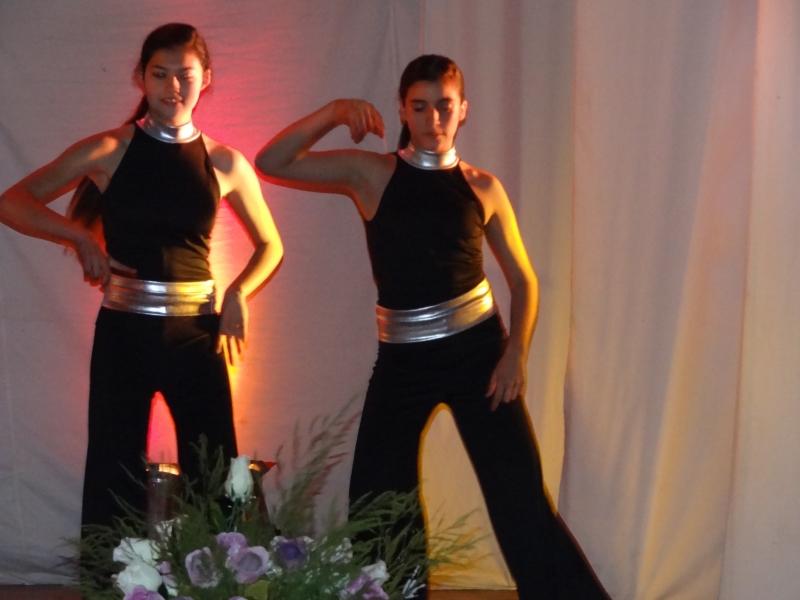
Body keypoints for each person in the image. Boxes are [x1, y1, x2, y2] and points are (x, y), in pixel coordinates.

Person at [255, 55, 609, 599]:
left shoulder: (482, 186)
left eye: (444, 105)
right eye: (419, 107)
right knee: (378, 498)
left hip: (480, 355)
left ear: (463, 109)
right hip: (402, 361)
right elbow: (271, 161)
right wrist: (334, 111)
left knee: (519, 499)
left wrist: (515, 354)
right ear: (403, 110)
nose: (433, 118)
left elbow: (525, 281)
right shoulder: (373, 174)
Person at [0, 23, 283, 531]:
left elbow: (271, 245)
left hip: (197, 335)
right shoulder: (110, 148)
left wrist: (238, 292)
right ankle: (108, 573)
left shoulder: (225, 161)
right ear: (141, 78)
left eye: (185, 75)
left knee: (214, 474)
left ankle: (221, 571)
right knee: (113, 472)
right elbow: (14, 202)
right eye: (160, 74)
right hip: (124, 334)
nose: (173, 86)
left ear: (206, 79)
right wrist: (80, 236)